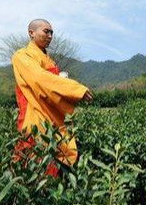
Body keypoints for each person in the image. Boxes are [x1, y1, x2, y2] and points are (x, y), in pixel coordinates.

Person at [11, 19, 93, 177]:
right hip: (33, 115)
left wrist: (66, 86)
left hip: (52, 117)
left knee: (54, 160)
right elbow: (40, 79)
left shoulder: (50, 60)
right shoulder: (21, 56)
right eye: (46, 31)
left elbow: (53, 87)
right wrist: (75, 89)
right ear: (31, 33)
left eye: (51, 32)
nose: (50, 35)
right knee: (34, 163)